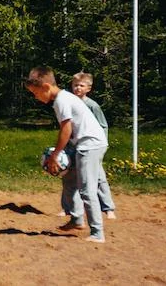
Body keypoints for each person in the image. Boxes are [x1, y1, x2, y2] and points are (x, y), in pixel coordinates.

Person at [25, 66, 108, 244]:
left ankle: (97, 233)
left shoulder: (62, 100)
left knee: (87, 188)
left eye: (36, 93)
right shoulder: (61, 99)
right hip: (81, 144)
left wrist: (55, 155)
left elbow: (66, 128)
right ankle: (77, 219)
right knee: (69, 179)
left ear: (46, 87)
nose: (36, 97)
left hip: (91, 145)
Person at [60, 72, 116, 220]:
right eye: (75, 85)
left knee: (98, 177)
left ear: (88, 88)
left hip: (92, 145)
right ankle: (67, 208)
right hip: (74, 144)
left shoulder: (92, 105)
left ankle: (108, 208)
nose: (78, 88)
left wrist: (102, 146)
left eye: (81, 85)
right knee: (68, 176)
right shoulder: (69, 102)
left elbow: (103, 125)